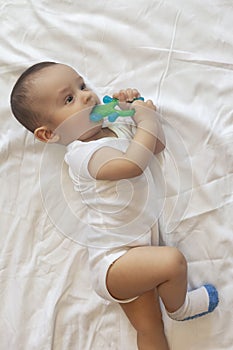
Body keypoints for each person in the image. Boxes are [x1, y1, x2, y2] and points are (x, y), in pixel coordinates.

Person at [10, 62, 219, 350]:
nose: (86, 96)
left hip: (136, 256)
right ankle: (179, 308)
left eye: (82, 86)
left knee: (149, 330)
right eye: (69, 99)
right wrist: (144, 124)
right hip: (114, 262)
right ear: (50, 134)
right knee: (172, 262)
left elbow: (154, 147)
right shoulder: (81, 156)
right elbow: (132, 164)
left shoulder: (117, 128)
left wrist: (137, 113)